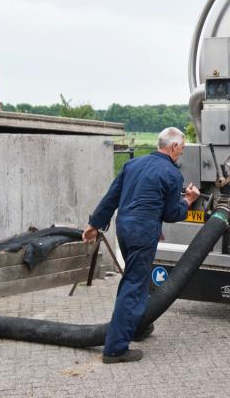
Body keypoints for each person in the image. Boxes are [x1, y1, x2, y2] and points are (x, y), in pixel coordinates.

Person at [82, 127, 200, 364]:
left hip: (124, 230)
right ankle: (115, 349)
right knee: (134, 285)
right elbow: (171, 213)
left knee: (135, 280)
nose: (181, 153)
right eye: (182, 149)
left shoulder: (132, 165)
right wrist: (188, 200)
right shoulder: (171, 174)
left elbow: (111, 198)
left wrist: (94, 225)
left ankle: (138, 327)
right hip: (143, 233)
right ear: (174, 147)